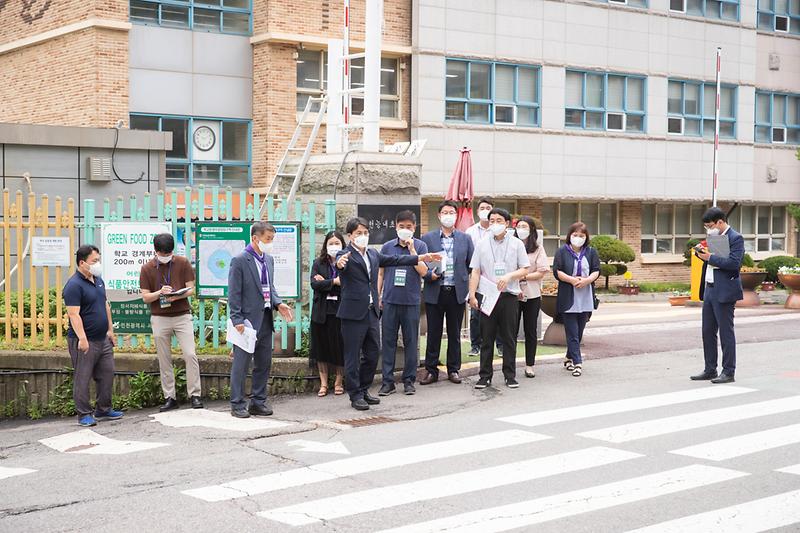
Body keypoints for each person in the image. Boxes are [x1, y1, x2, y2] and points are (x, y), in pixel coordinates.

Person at [336, 217, 440, 411]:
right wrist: (339, 264)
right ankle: (355, 394)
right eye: (359, 233)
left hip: (371, 312)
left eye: (366, 233)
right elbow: (339, 265)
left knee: (373, 353)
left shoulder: (373, 254)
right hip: (352, 315)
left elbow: (396, 259)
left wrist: (421, 258)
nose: (363, 236)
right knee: (352, 356)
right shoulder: (346, 254)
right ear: (350, 236)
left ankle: (364, 389)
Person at [228, 222, 294, 418]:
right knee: (241, 364)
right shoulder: (239, 260)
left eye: (272, 239)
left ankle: (258, 401)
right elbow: (234, 293)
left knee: (264, 363)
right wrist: (237, 319)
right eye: (268, 239)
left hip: (265, 318)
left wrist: (278, 303)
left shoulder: (269, 260)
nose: (270, 243)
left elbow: (269, 288)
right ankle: (237, 403)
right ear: (255, 238)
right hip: (246, 322)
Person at [139, 233, 203, 411]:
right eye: (162, 254)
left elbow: (191, 289)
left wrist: (177, 295)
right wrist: (160, 293)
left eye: (168, 254)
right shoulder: (147, 268)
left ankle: (195, 394)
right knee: (164, 358)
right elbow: (145, 297)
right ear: (155, 251)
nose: (166, 257)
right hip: (159, 317)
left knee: (190, 354)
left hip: (182, 315)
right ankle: (170, 396)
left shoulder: (183, 263)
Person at [468, 208, 530, 389]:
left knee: (509, 337)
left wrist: (509, 276)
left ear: (508, 223)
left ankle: (509, 375)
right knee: (486, 337)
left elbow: (525, 268)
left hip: (509, 296)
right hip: (488, 296)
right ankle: (484, 375)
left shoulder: (517, 244)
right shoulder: (482, 243)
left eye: (499, 220)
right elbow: (476, 271)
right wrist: (472, 294)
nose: (495, 224)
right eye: (492, 220)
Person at [63, 245, 123, 427]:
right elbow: (74, 314)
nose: (98, 264)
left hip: (102, 339)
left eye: (98, 260)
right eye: (94, 261)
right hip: (84, 340)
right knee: (83, 376)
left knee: (106, 374)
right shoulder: (74, 285)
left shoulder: (98, 280)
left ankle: (103, 409)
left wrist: (110, 330)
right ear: (82, 263)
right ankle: (84, 414)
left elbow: (105, 305)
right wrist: (82, 338)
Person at [420, 200, 474, 385]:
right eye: (445, 212)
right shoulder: (427, 239)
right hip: (435, 290)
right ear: (439, 215)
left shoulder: (465, 239)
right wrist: (429, 274)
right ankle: (431, 370)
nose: (448, 216)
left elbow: (471, 265)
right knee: (433, 332)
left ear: (456, 215)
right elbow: (422, 263)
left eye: (451, 212)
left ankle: (453, 369)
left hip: (457, 292)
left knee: (454, 333)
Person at [376, 211, 429, 396]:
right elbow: (381, 273)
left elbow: (424, 272)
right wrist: (378, 295)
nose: (405, 230)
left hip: (411, 301)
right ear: (395, 227)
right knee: (388, 342)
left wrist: (413, 250)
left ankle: (409, 380)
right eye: (401, 227)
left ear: (414, 228)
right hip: (390, 300)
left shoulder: (421, 246)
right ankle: (387, 382)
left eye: (409, 227)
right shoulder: (387, 247)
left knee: (410, 342)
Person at [691, 207, 744, 384]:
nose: (708, 229)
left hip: (725, 291)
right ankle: (710, 369)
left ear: (720, 221)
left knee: (726, 333)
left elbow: (734, 263)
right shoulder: (714, 237)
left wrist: (710, 258)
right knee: (707, 331)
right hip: (710, 289)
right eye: (706, 226)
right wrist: (701, 254)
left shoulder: (735, 238)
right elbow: (712, 260)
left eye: (710, 225)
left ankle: (729, 371)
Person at [552, 222, 600, 378]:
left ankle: (568, 357)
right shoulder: (561, 251)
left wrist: (586, 281)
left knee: (579, 331)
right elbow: (557, 271)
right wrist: (572, 280)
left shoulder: (591, 252)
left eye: (581, 236)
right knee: (572, 332)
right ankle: (577, 363)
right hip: (569, 295)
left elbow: (596, 270)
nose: (578, 238)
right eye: (575, 235)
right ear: (569, 236)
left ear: (586, 238)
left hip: (585, 295)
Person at [310, 231, 346, 397]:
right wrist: (333, 282)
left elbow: (347, 284)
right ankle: (323, 384)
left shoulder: (347, 262)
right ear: (325, 245)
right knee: (321, 348)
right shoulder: (318, 263)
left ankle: (339, 381)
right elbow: (314, 285)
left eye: (337, 243)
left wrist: (324, 282)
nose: (333, 246)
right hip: (321, 311)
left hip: (339, 310)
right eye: (330, 243)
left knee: (340, 347)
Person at [515, 216, 549, 379]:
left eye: (524, 226)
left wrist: (523, 277)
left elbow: (542, 271)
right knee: (510, 330)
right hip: (512, 295)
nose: (521, 229)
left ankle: (529, 365)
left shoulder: (538, 248)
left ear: (531, 230)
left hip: (532, 295)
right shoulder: (511, 246)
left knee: (530, 331)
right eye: (519, 226)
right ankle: (509, 363)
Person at [465, 197, 497, 357]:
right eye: (482, 208)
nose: (485, 210)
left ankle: (500, 345)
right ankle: (475, 345)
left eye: (488, 208)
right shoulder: (470, 232)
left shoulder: (498, 230)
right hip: (476, 277)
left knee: (496, 312)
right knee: (475, 313)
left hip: (495, 278)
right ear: (477, 211)